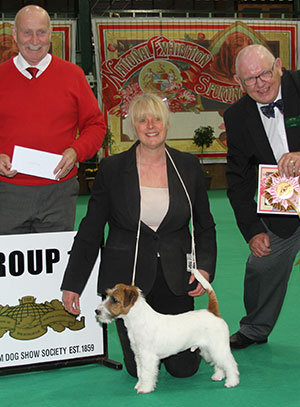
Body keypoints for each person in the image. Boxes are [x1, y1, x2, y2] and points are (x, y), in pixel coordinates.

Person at [61, 93, 217, 378]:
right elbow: (91, 229)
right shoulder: (112, 169)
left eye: (156, 118)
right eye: (142, 120)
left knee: (183, 369)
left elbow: (205, 225)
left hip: (174, 278)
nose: (150, 125)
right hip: (127, 283)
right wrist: (73, 282)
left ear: (167, 124)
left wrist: (204, 269)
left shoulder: (188, 167)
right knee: (137, 370)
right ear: (133, 127)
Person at [0, 5, 105, 234]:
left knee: (55, 267)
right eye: (27, 32)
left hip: (59, 194)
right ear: (14, 34)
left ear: (51, 33)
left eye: (41, 32)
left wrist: (76, 151)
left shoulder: (73, 75)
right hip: (6, 193)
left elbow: (96, 126)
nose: (35, 40)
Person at [224, 44, 300, 349]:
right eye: (250, 79)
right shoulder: (237, 116)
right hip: (282, 205)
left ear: (279, 66)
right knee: (260, 265)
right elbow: (237, 181)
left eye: (265, 73)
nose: (260, 83)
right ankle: (255, 327)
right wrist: (252, 230)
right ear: (238, 82)